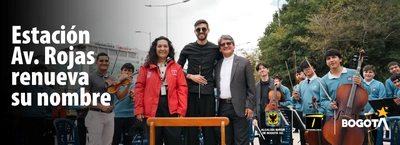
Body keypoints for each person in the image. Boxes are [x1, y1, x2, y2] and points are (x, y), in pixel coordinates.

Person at [134, 36, 188, 145]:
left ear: (169, 49)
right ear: (155, 48)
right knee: (154, 140)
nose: (162, 49)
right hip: (151, 109)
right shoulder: (145, 67)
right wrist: (139, 109)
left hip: (171, 108)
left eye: (165, 46)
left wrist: (182, 110)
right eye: (159, 46)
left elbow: (182, 89)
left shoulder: (176, 67)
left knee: (174, 140)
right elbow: (139, 88)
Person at [177, 19, 223, 145]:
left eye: (203, 29)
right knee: (190, 127)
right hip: (190, 92)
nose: (201, 31)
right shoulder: (188, 48)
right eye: (198, 29)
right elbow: (176, 69)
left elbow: (227, 63)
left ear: (208, 30)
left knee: (209, 127)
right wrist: (190, 76)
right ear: (194, 31)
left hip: (208, 92)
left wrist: (245, 62)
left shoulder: (215, 49)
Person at [319, 48, 371, 145]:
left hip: (356, 116)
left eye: (334, 57)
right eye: (328, 58)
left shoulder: (353, 73)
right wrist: (330, 105)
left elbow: (368, 91)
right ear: (326, 62)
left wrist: (361, 84)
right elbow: (323, 101)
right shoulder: (324, 80)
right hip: (336, 117)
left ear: (340, 59)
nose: (331, 60)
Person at [214, 34, 256, 145]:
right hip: (222, 107)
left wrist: (250, 106)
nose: (226, 46)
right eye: (223, 44)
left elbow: (251, 87)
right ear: (220, 48)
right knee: (226, 141)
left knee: (241, 141)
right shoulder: (217, 65)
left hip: (240, 107)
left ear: (233, 46)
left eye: (228, 43)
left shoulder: (244, 62)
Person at [84, 52, 116, 145]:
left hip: (110, 115)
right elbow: (86, 99)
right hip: (95, 114)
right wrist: (102, 107)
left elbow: (120, 96)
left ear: (109, 63)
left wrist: (127, 85)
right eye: (101, 61)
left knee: (108, 143)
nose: (104, 63)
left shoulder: (113, 79)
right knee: (95, 143)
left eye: (106, 61)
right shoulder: (90, 77)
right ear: (96, 63)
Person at [18, 64, 55, 145]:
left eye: (43, 72)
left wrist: (54, 112)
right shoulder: (27, 84)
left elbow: (48, 104)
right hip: (28, 118)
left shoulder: (46, 88)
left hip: (41, 118)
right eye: (38, 72)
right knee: (29, 140)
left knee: (40, 141)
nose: (41, 74)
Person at [292, 59, 324, 145]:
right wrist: (296, 98)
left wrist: (320, 113)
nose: (307, 69)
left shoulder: (321, 81)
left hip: (315, 114)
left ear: (314, 68)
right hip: (303, 115)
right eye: (304, 68)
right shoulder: (301, 84)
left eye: (309, 67)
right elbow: (298, 101)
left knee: (314, 140)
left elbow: (324, 99)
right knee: (304, 140)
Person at [253, 62, 286, 145]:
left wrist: (279, 88)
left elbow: (283, 99)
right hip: (261, 116)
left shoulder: (275, 83)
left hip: (273, 115)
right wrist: (254, 117)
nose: (262, 70)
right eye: (260, 69)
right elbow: (254, 103)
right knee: (263, 142)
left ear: (268, 70)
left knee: (276, 141)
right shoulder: (256, 86)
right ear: (258, 72)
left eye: (264, 68)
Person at [112, 63, 136, 145]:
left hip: (130, 116)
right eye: (125, 70)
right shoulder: (115, 84)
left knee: (128, 141)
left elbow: (135, 98)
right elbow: (120, 97)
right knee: (115, 140)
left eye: (129, 71)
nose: (127, 72)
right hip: (117, 115)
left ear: (132, 73)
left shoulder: (135, 85)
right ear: (121, 71)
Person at [291, 68, 305, 133]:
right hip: (299, 109)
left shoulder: (307, 83)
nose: (298, 76)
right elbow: (293, 101)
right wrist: (294, 97)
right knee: (302, 131)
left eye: (300, 74)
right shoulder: (295, 87)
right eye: (297, 75)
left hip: (308, 110)